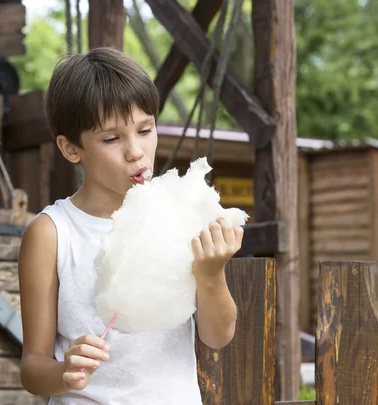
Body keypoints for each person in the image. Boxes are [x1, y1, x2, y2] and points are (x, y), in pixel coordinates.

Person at [18, 47, 242, 405]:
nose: (136, 151)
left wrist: (211, 273)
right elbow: (32, 368)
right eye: (111, 138)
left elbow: (218, 336)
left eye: (145, 129)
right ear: (71, 148)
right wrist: (64, 372)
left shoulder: (179, 216)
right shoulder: (52, 232)